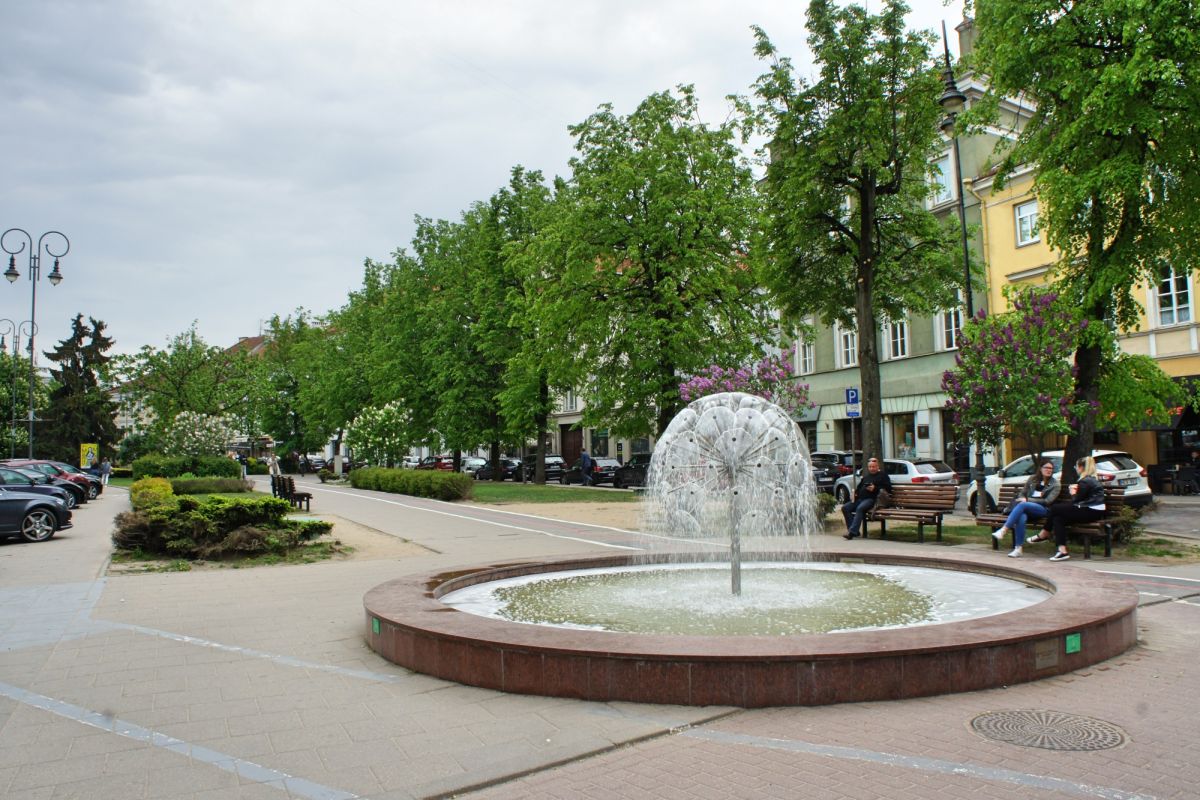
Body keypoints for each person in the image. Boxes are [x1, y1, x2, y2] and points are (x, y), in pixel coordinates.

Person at [1027, 456, 1105, 562]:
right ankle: (1062, 551)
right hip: (1092, 510)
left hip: (1091, 511)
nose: (1076, 469)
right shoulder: (1091, 479)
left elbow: (1076, 501)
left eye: (1076, 466)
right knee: (1058, 519)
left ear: (1081, 468)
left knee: (1055, 508)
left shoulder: (1085, 481)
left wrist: (1072, 492)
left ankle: (1044, 534)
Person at [990, 459, 1060, 558]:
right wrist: (1023, 498)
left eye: (1051, 468)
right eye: (1046, 468)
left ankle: (1004, 529)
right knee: (1021, 517)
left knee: (1023, 505)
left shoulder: (1055, 484)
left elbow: (1048, 501)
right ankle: (1018, 549)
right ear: (1040, 468)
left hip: (1043, 509)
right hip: (1026, 508)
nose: (1049, 470)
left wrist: (1027, 500)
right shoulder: (1033, 479)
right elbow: (1022, 492)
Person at [841, 457, 892, 540]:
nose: (872, 468)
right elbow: (858, 488)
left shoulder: (883, 476)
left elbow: (888, 488)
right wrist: (855, 494)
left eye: (873, 467)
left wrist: (875, 488)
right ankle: (853, 531)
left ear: (877, 466)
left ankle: (852, 532)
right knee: (845, 507)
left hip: (872, 500)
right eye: (870, 467)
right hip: (860, 499)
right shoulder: (866, 477)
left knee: (860, 508)